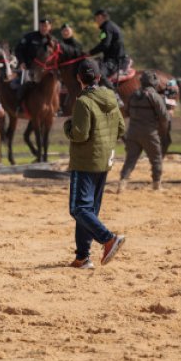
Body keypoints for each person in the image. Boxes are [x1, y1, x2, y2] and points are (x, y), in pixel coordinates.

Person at [64, 59, 126, 268]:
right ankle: (82, 257)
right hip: (105, 160)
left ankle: (108, 239)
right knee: (89, 210)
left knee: (78, 209)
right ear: (99, 77)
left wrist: (67, 128)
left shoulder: (83, 101)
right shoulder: (111, 97)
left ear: (79, 78)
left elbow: (79, 134)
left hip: (85, 162)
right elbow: (121, 129)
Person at [118, 69, 170, 192]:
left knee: (130, 159)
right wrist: (163, 131)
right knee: (156, 158)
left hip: (133, 133)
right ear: (154, 82)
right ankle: (156, 184)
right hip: (149, 133)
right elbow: (165, 117)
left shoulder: (133, 95)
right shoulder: (155, 96)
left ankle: (122, 183)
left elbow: (126, 112)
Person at [13, 17, 53, 109]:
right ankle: (19, 106)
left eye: (46, 26)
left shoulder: (52, 40)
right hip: (29, 68)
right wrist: (22, 62)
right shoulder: (29, 37)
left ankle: (54, 107)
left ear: (50, 27)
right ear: (39, 26)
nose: (44, 28)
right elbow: (18, 50)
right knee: (24, 86)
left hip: (46, 71)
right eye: (42, 26)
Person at [88, 8, 127, 89]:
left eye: (96, 18)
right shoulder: (109, 26)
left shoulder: (107, 28)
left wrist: (90, 53)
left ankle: (114, 93)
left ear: (100, 17)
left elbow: (105, 45)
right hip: (113, 59)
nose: (96, 21)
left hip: (114, 61)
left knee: (98, 74)